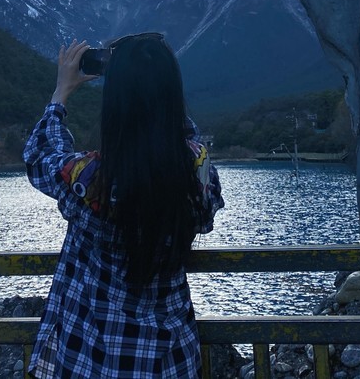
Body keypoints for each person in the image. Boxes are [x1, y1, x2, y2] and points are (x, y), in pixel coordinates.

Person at [24, 33, 225, 379]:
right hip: (171, 360)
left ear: (115, 105)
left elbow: (39, 156)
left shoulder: (91, 179)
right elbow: (186, 143)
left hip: (91, 358)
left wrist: (61, 93)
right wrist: (158, 89)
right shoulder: (197, 171)